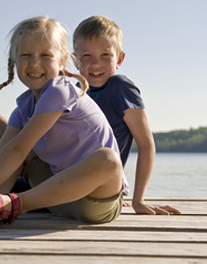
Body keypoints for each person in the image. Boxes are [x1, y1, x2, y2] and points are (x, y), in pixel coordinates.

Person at [0, 16, 127, 244]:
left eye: (45, 56)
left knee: (109, 160)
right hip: (54, 195)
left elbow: (18, 150)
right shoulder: (24, 106)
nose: (34, 64)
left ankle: (10, 204)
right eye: (26, 56)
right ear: (14, 60)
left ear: (63, 60)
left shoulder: (60, 90)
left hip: (95, 202)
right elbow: (0, 153)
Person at [72, 15, 181, 215]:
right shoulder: (74, 91)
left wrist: (138, 201)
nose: (96, 63)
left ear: (120, 59)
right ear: (74, 59)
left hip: (98, 181)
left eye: (106, 55)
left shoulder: (120, 88)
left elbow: (146, 145)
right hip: (68, 176)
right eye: (87, 55)